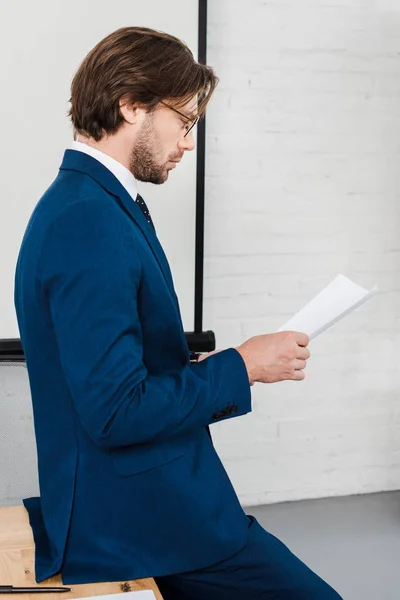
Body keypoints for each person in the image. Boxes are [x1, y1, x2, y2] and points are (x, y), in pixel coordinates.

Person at [14, 26, 342, 600]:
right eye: (184, 121)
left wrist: (198, 362)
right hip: (139, 518)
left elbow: (113, 362)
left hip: (150, 498)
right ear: (131, 104)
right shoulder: (88, 221)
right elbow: (114, 412)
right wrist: (241, 365)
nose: (189, 141)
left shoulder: (95, 203)